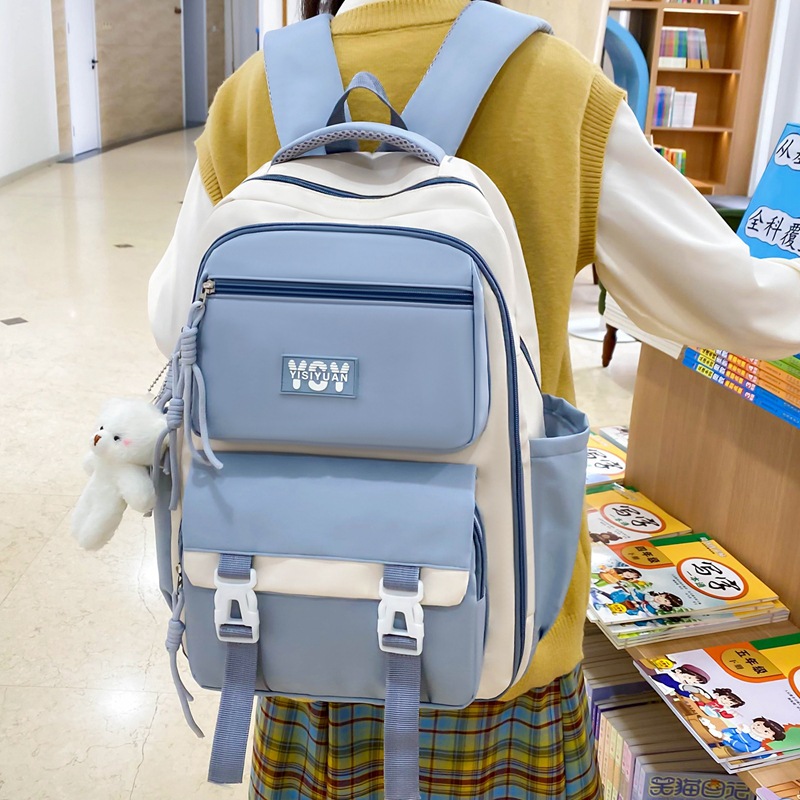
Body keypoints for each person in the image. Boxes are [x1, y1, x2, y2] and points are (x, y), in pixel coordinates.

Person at [148, 0, 800, 797]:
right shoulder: (559, 86)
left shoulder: (254, 90)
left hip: (292, 603)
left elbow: (169, 316)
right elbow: (747, 311)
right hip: (501, 631)